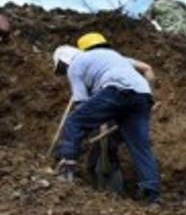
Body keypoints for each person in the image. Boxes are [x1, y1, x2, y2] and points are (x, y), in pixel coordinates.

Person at [52, 33, 161, 203]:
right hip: (142, 96)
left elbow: (81, 104)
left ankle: (67, 165)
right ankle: (152, 195)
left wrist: (80, 137)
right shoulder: (115, 56)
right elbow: (147, 69)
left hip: (117, 89)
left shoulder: (75, 65)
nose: (65, 72)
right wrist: (149, 96)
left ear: (65, 60)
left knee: (75, 121)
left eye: (62, 68)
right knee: (140, 147)